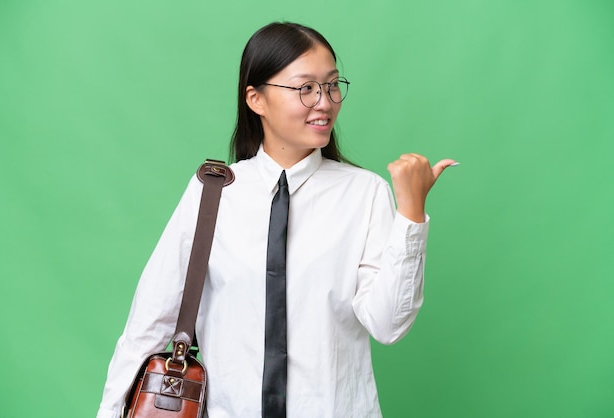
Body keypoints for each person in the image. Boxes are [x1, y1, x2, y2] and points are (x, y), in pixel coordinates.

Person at [96, 21, 456, 418]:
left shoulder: (365, 193)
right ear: (256, 99)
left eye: (332, 85)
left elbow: (388, 325)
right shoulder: (214, 192)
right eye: (305, 88)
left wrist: (411, 214)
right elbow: (148, 325)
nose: (325, 101)